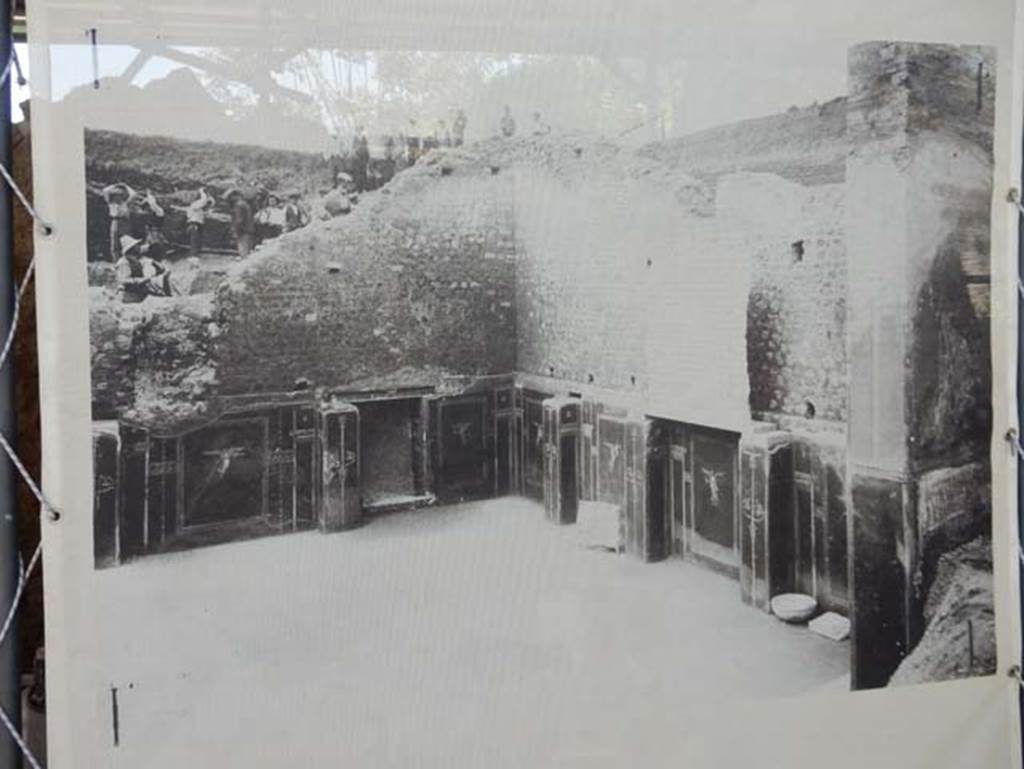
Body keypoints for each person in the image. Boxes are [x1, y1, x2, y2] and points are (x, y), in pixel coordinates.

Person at [115, 235, 173, 303]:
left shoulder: (138, 259)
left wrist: (154, 264)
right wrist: (141, 280)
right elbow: (124, 280)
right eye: (136, 245)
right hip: (128, 294)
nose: (139, 246)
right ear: (132, 248)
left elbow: (160, 268)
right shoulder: (123, 263)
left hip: (139, 290)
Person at [102, 182, 138, 261]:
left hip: (125, 223)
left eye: (120, 195)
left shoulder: (125, 203)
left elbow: (134, 194)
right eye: (115, 195)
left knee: (127, 242)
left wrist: (125, 186)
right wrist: (115, 185)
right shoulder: (111, 203)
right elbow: (105, 191)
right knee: (115, 244)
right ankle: (116, 262)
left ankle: (128, 261)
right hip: (115, 222)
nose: (117, 197)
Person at [185, 187, 213, 258]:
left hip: (198, 224)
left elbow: (211, 202)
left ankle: (196, 254)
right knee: (194, 241)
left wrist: (208, 196)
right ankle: (193, 255)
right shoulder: (194, 205)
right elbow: (203, 201)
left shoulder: (199, 207)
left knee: (197, 240)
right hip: (194, 224)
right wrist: (202, 192)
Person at [228, 190, 257, 258]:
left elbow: (239, 220)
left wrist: (235, 231)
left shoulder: (238, 205)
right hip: (249, 229)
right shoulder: (246, 204)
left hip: (243, 231)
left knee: (243, 251)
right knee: (247, 250)